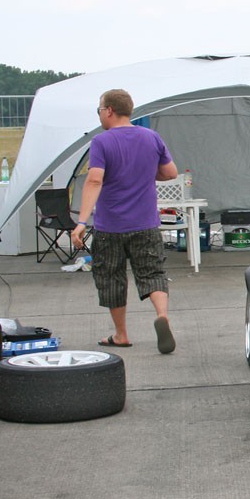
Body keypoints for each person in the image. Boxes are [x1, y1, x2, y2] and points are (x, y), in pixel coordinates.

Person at [71, 89, 179, 353]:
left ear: (109, 110)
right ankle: (162, 316)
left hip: (110, 226)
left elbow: (94, 180)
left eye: (99, 110)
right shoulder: (151, 137)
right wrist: (144, 174)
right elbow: (170, 173)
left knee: (111, 279)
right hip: (146, 224)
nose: (99, 115)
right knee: (153, 273)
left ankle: (121, 335)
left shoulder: (101, 141)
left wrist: (82, 222)